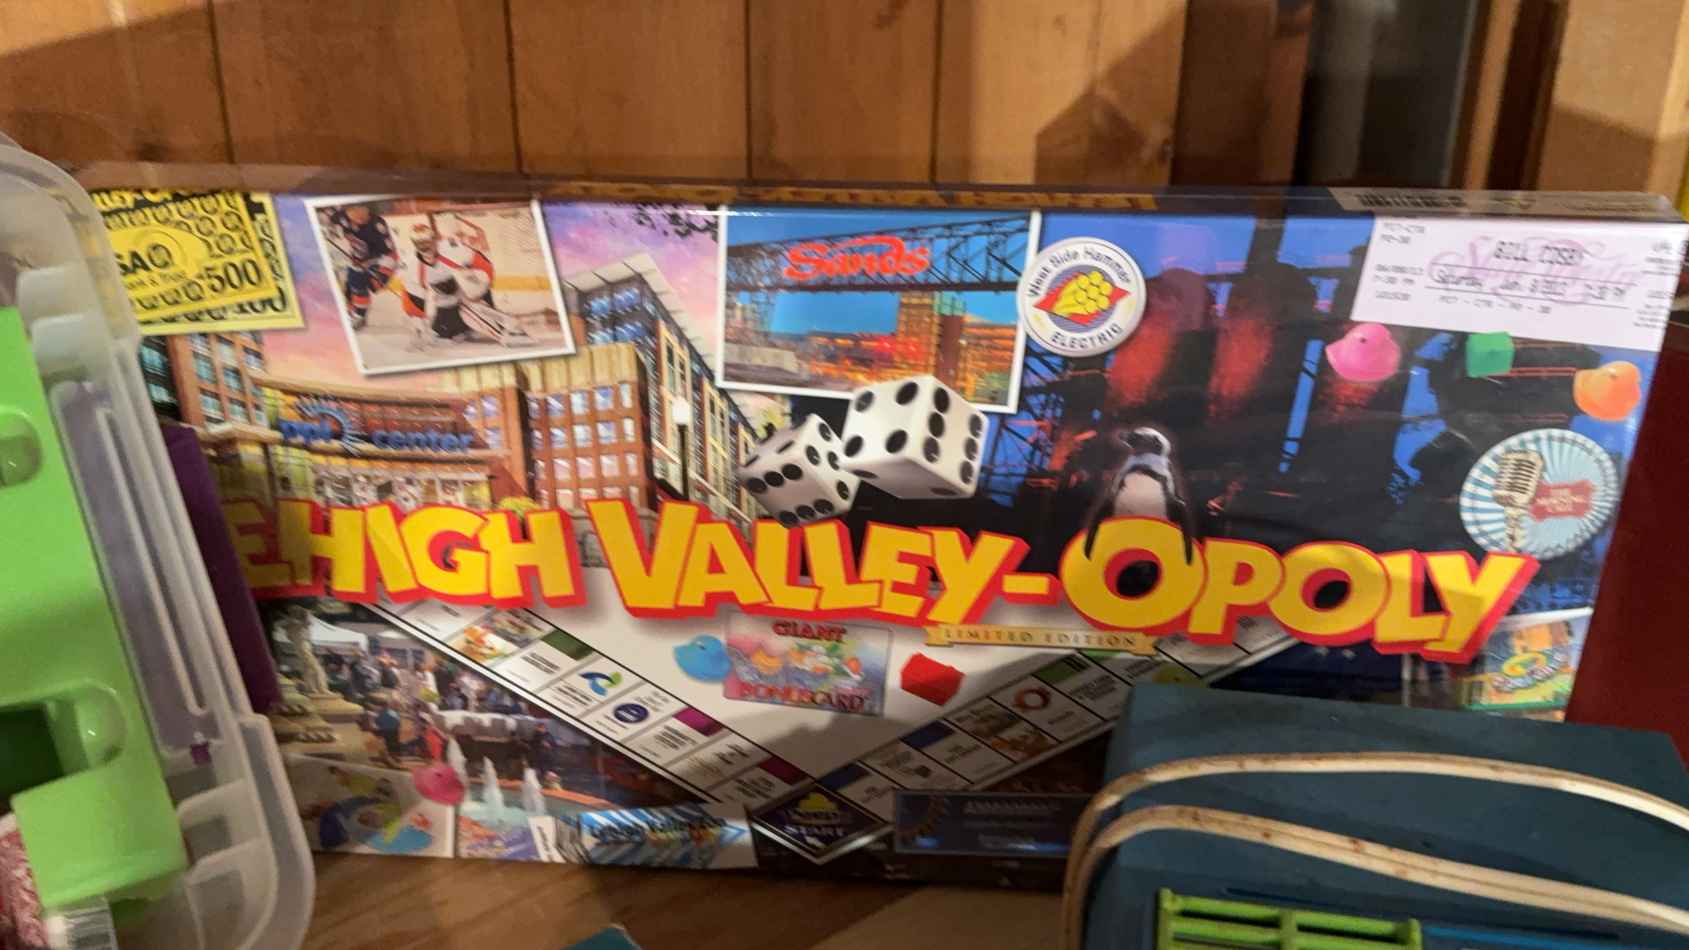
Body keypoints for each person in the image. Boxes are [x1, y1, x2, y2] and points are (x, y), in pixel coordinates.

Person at [326, 204, 399, 328]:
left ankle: (359, 314)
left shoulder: (377, 225)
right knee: (351, 286)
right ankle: (355, 313)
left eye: (362, 210)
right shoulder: (340, 216)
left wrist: (379, 270)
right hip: (357, 260)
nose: (358, 215)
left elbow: (388, 253)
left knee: (363, 282)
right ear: (346, 211)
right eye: (353, 211)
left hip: (381, 260)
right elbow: (325, 216)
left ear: (368, 209)